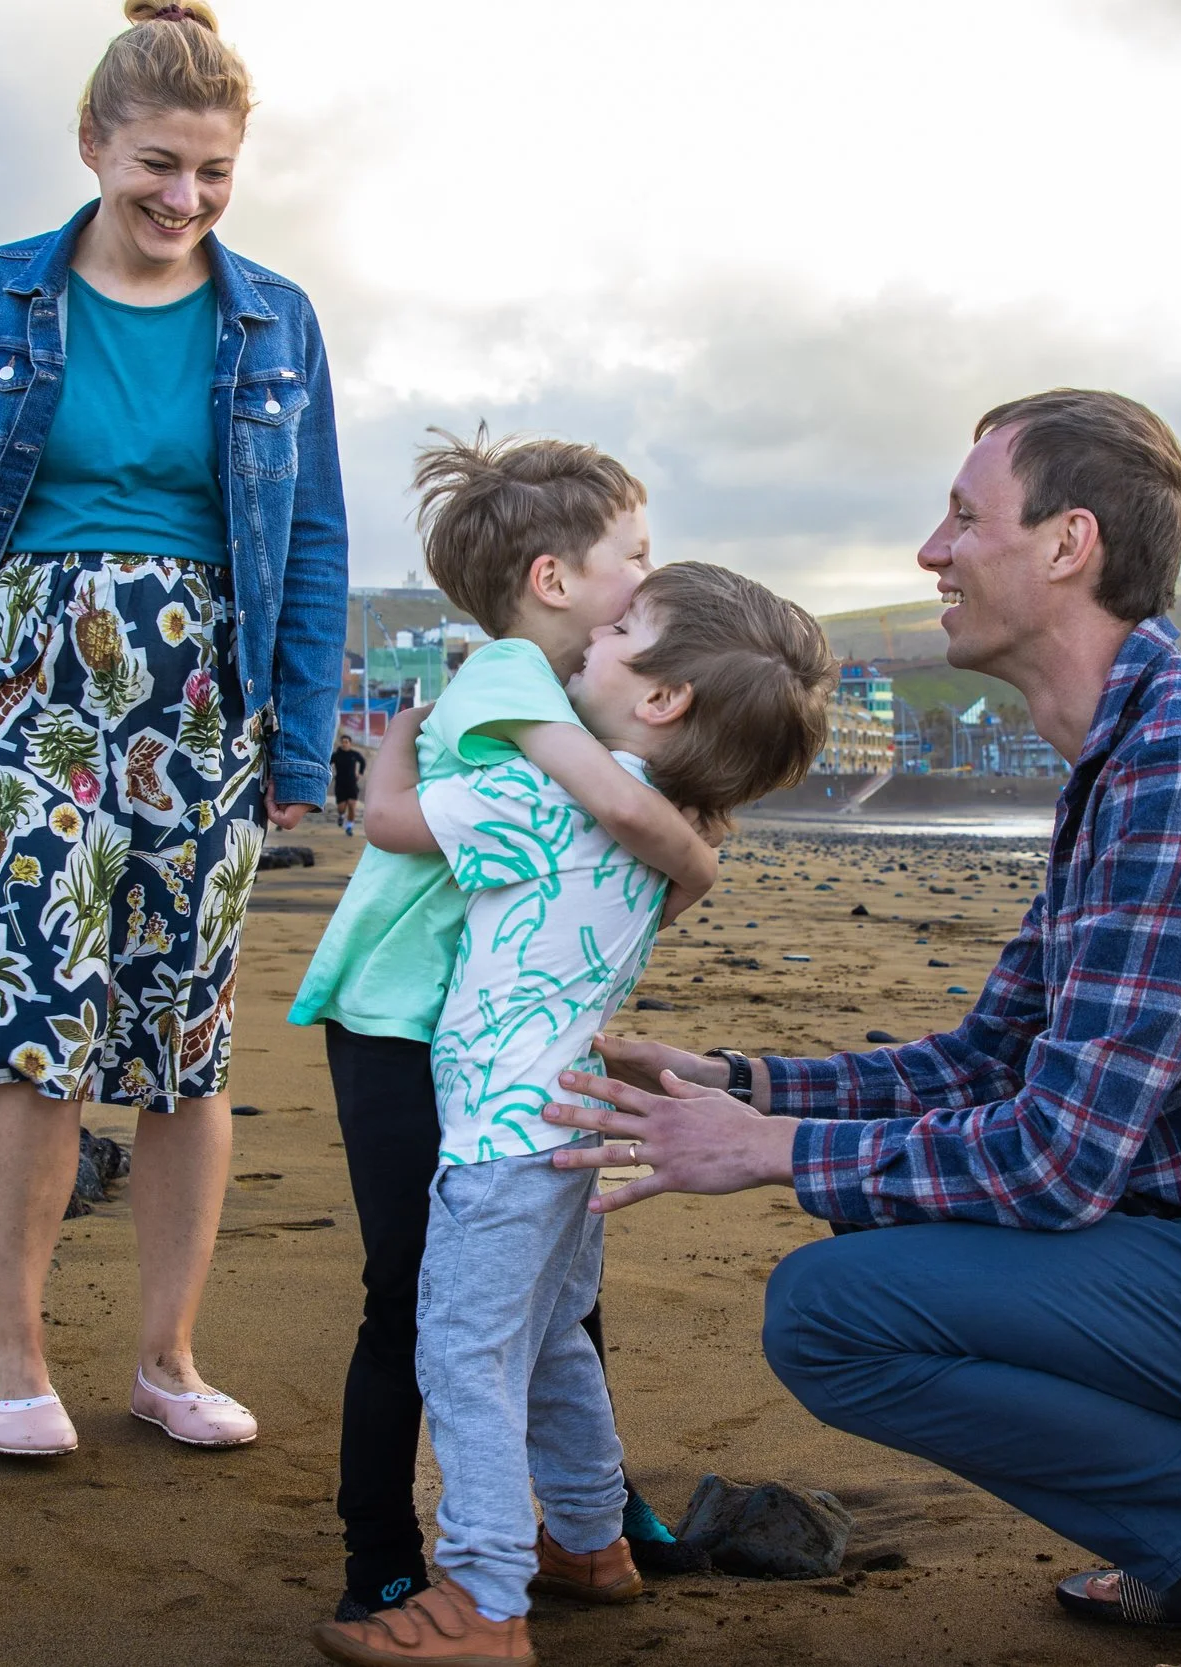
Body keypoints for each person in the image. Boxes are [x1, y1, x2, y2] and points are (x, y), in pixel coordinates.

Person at [542, 392, 1181, 1667]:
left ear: (1068, 545)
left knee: (836, 1309)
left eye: (964, 517)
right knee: (880, 1219)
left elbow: (1054, 1163)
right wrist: (731, 1077)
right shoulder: (1126, 755)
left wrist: (763, 1146)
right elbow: (983, 1063)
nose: (930, 552)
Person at [0, 1, 347, 1460]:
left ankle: (169, 1358)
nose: (185, 200)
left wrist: (294, 745)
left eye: (216, 174)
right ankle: (15, 1358)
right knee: (34, 1025)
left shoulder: (278, 320)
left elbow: (311, 543)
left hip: (202, 695)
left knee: (184, 1042)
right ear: (93, 144)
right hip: (23, 684)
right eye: (159, 167)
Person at [313, 562, 835, 1667]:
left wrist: (393, 743)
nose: (594, 637)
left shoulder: (541, 794)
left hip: (498, 1135)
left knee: (463, 1353)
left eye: (623, 633)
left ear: (660, 699)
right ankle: (592, 1540)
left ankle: (485, 1598)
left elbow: (390, 824)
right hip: (571, 1131)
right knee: (551, 1346)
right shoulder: (667, 830)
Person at [289, 431, 721, 1625]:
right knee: (417, 1289)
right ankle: (380, 1547)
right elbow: (613, 805)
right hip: (400, 1016)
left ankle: (587, 1515)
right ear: (553, 580)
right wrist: (690, 860)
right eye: (633, 554)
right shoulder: (511, 688)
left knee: (543, 1276)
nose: (648, 576)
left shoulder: (552, 685)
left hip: (485, 1024)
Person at [331, 735, 367, 834]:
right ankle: (341, 816)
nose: (344, 743)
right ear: (341, 743)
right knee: (341, 808)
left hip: (352, 784)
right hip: (340, 784)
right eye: (343, 742)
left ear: (350, 743)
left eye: (346, 742)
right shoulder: (336, 755)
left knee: (352, 805)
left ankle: (349, 827)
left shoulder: (354, 754)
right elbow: (327, 764)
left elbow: (363, 762)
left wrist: (360, 773)